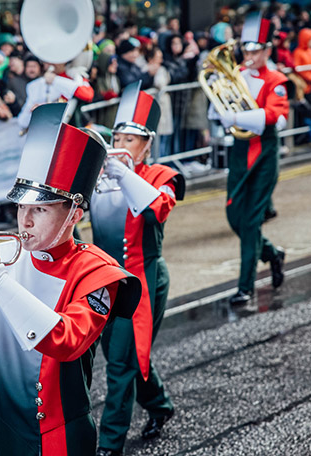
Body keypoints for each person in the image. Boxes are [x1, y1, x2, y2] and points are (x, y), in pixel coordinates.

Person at [0, 103, 141, 456]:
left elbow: (66, 341)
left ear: (74, 214)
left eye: (40, 209)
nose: (24, 220)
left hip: (59, 434)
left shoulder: (99, 272)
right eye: (22, 207)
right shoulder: (9, 255)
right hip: (6, 427)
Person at [91, 82, 185, 456]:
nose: (120, 144)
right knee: (123, 357)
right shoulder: (99, 175)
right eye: (117, 136)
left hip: (142, 281)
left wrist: (122, 173)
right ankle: (160, 405)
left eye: (130, 139)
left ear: (147, 143)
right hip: (101, 281)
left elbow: (156, 208)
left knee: (121, 364)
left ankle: (109, 446)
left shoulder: (161, 175)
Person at [211, 11, 287, 305]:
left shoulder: (277, 78)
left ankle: (246, 287)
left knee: (252, 220)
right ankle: (272, 253)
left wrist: (238, 115)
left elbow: (277, 117)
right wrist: (220, 111)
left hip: (264, 152)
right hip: (239, 151)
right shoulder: (236, 74)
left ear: (267, 50)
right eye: (247, 48)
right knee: (235, 216)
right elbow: (216, 114)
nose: (250, 54)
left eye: (256, 49)